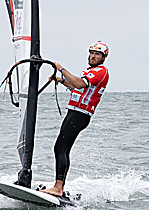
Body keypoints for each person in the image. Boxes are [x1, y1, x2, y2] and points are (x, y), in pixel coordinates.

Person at [41, 41, 110, 198]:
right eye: (91, 53)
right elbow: (77, 88)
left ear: (103, 57)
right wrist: (61, 80)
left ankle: (58, 188)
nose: (93, 56)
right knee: (62, 149)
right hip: (74, 112)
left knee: (60, 148)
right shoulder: (89, 71)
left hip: (80, 115)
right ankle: (59, 186)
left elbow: (79, 84)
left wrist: (60, 67)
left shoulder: (101, 71)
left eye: (97, 54)